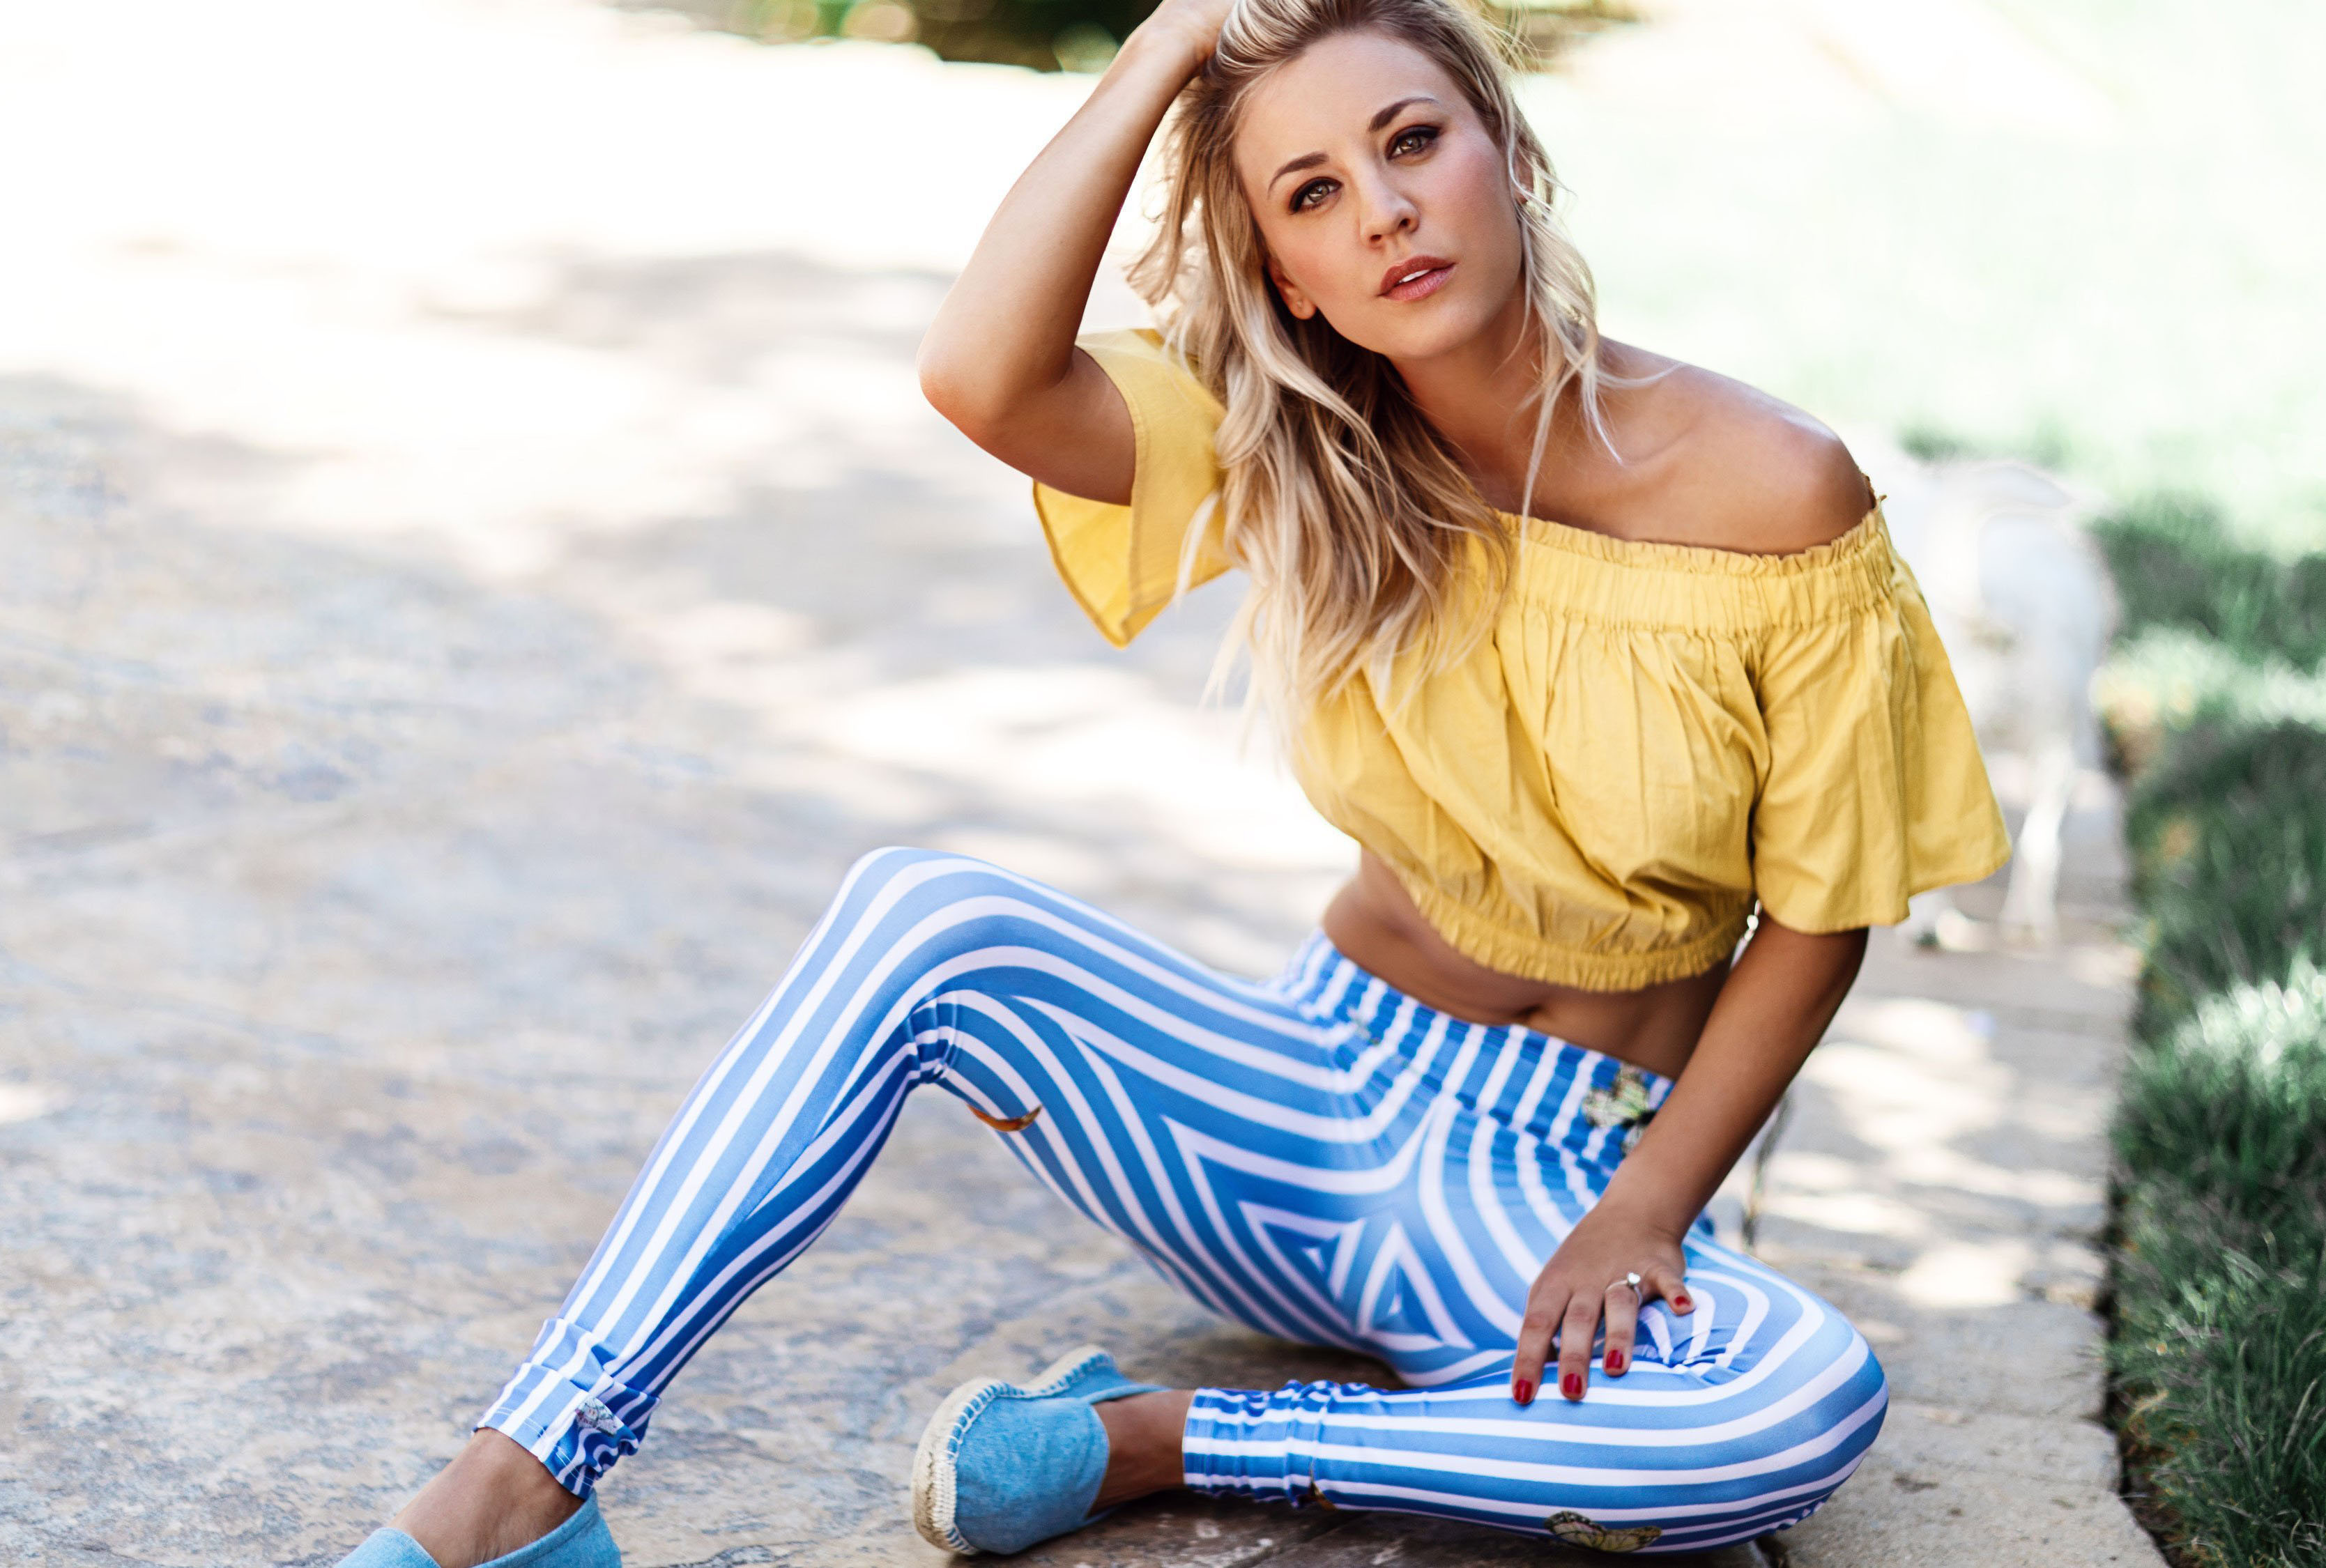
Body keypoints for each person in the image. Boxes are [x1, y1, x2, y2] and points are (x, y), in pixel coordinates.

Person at [335, 0, 2008, 1560]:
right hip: (1295, 1101)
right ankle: (518, 1485)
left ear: (1510, 148)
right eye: (1312, 193)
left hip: (1545, 1181)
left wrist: (1647, 1213)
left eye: (1414, 142)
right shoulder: (1297, 434)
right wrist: (1164, 46)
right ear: (1289, 275)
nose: (1385, 214)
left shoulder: (1776, 494)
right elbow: (981, 377)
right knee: (922, 916)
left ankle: (1159, 1443)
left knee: (1795, 1407)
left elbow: (1822, 915)